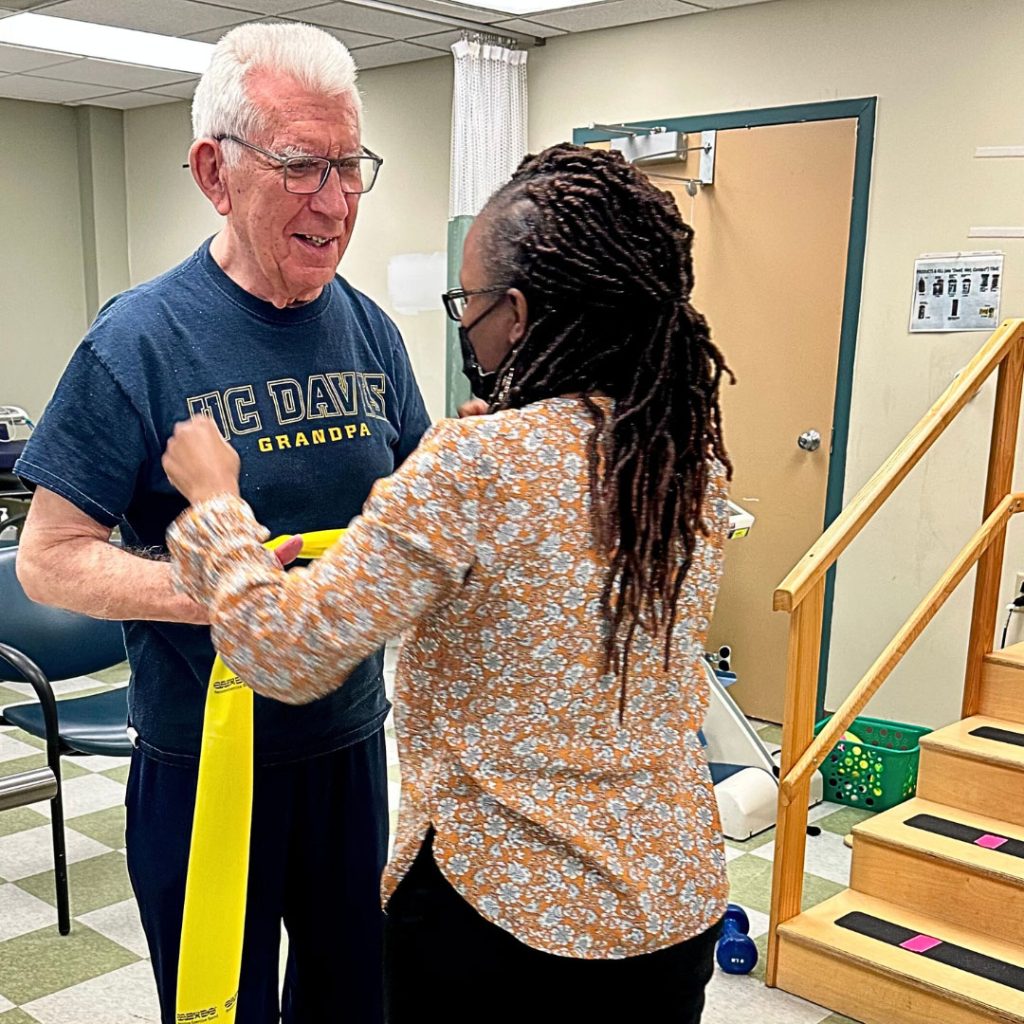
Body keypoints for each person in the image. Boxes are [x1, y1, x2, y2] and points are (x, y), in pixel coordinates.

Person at [162, 143, 733, 1023]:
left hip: (501, 916)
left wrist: (215, 506)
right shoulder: (680, 458)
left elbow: (286, 653)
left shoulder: (474, 464)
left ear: (515, 312)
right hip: (670, 902)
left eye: (468, 304)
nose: (465, 323)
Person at [15, 22, 429, 1024]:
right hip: (207, 762)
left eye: (348, 165)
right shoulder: (138, 341)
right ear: (215, 171)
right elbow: (48, 560)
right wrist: (217, 594)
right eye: (300, 165)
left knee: (352, 1005)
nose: (333, 201)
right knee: (220, 1011)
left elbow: (421, 509)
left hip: (346, 744)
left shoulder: (367, 326)